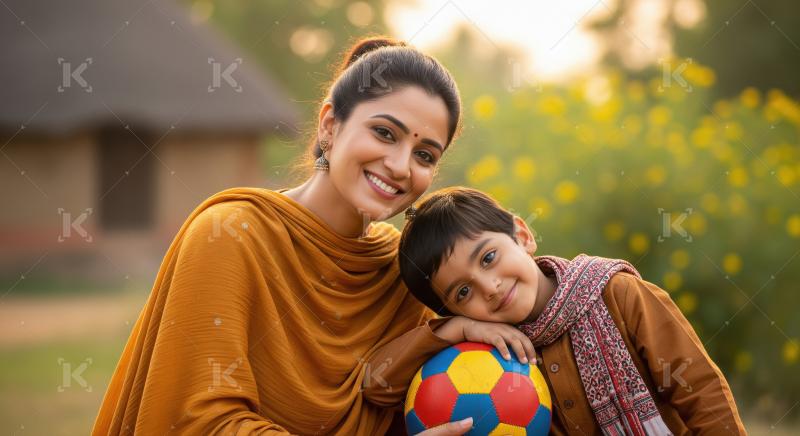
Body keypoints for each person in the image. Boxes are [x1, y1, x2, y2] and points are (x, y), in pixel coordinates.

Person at [92, 37, 533, 435]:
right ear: (330, 125)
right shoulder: (230, 235)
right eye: (384, 133)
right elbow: (199, 422)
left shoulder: (401, 273)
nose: (401, 166)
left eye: (424, 155)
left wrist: (454, 331)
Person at [391, 186, 747, 435]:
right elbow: (378, 388)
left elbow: (700, 390)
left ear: (522, 235)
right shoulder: (485, 356)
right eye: (463, 292)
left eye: (488, 258)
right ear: (454, 311)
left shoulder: (617, 294)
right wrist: (457, 331)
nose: (490, 287)